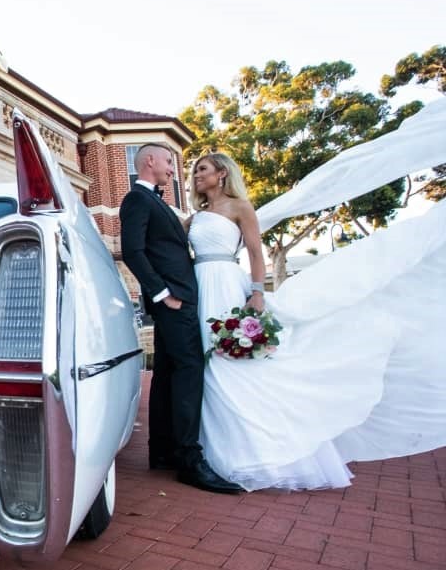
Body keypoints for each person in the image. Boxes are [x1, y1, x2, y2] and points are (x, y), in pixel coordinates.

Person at [189, 151, 446, 491]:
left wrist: (257, 293)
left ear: (222, 173)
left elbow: (255, 253)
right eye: (194, 171)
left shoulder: (240, 208)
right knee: (205, 367)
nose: (195, 175)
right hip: (198, 287)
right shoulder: (195, 217)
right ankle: (203, 449)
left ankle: (250, 452)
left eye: (202, 169)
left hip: (226, 284)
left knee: (231, 365)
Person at [120, 143, 242, 494]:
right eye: (170, 161)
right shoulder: (137, 199)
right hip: (175, 301)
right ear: (150, 162)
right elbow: (133, 250)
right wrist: (162, 294)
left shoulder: (156, 201)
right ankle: (190, 458)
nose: (174, 169)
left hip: (182, 298)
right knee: (190, 371)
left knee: (169, 373)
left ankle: (163, 452)